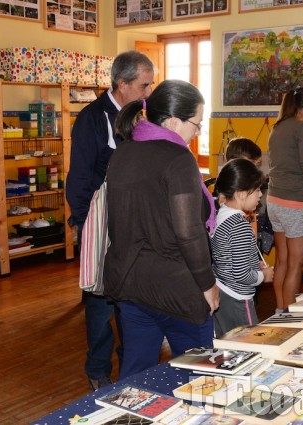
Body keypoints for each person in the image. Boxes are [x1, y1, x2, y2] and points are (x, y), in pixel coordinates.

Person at [103, 79, 220, 379]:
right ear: (172, 121)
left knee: (135, 377)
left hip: (130, 284)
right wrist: (208, 284)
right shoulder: (178, 158)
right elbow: (188, 232)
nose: (198, 132)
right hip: (177, 288)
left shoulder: (122, 153)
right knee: (199, 378)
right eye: (197, 123)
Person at [66, 50, 155, 390]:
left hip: (132, 222)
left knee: (130, 299)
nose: (148, 93)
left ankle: (130, 366)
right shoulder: (93, 118)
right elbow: (80, 176)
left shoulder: (141, 117)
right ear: (122, 84)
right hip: (99, 223)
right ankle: (98, 368)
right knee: (102, 303)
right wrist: (83, 223)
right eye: (143, 86)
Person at [267, 87, 303, 313]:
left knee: (283, 261)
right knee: (297, 266)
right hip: (296, 202)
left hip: (274, 200)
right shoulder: (302, 126)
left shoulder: (278, 127)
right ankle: (288, 318)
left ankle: (280, 310)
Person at [211, 158, 273, 336]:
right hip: (238, 297)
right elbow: (242, 274)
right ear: (241, 194)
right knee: (249, 344)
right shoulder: (240, 226)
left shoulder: (220, 215)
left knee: (226, 343)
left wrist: (254, 264)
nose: (261, 195)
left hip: (221, 290)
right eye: (257, 190)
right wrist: (263, 276)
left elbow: (229, 257)